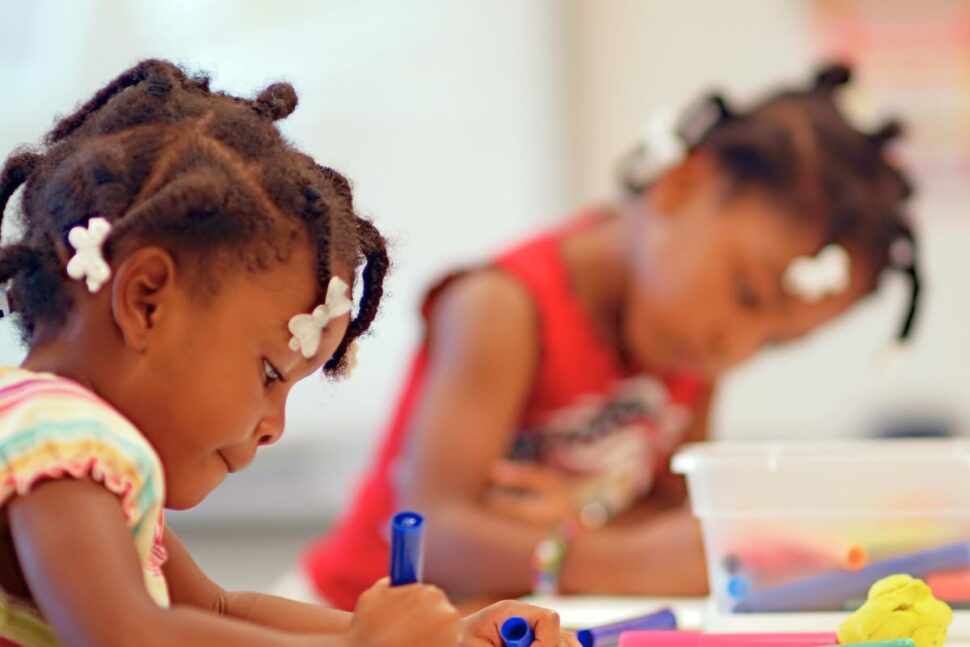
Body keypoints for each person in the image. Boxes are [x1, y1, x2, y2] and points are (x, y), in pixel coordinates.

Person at [297, 64, 922, 609]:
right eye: (748, 294)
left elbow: (676, 513)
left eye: (776, 342)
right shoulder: (504, 308)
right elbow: (432, 532)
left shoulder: (694, 345)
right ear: (683, 185)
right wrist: (598, 555)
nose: (736, 348)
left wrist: (582, 528)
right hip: (342, 620)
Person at [0, 59, 576, 647]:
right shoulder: (63, 439)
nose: (274, 427)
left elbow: (221, 609)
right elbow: (128, 637)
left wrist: (443, 633)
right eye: (271, 372)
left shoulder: (66, 443)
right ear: (147, 301)